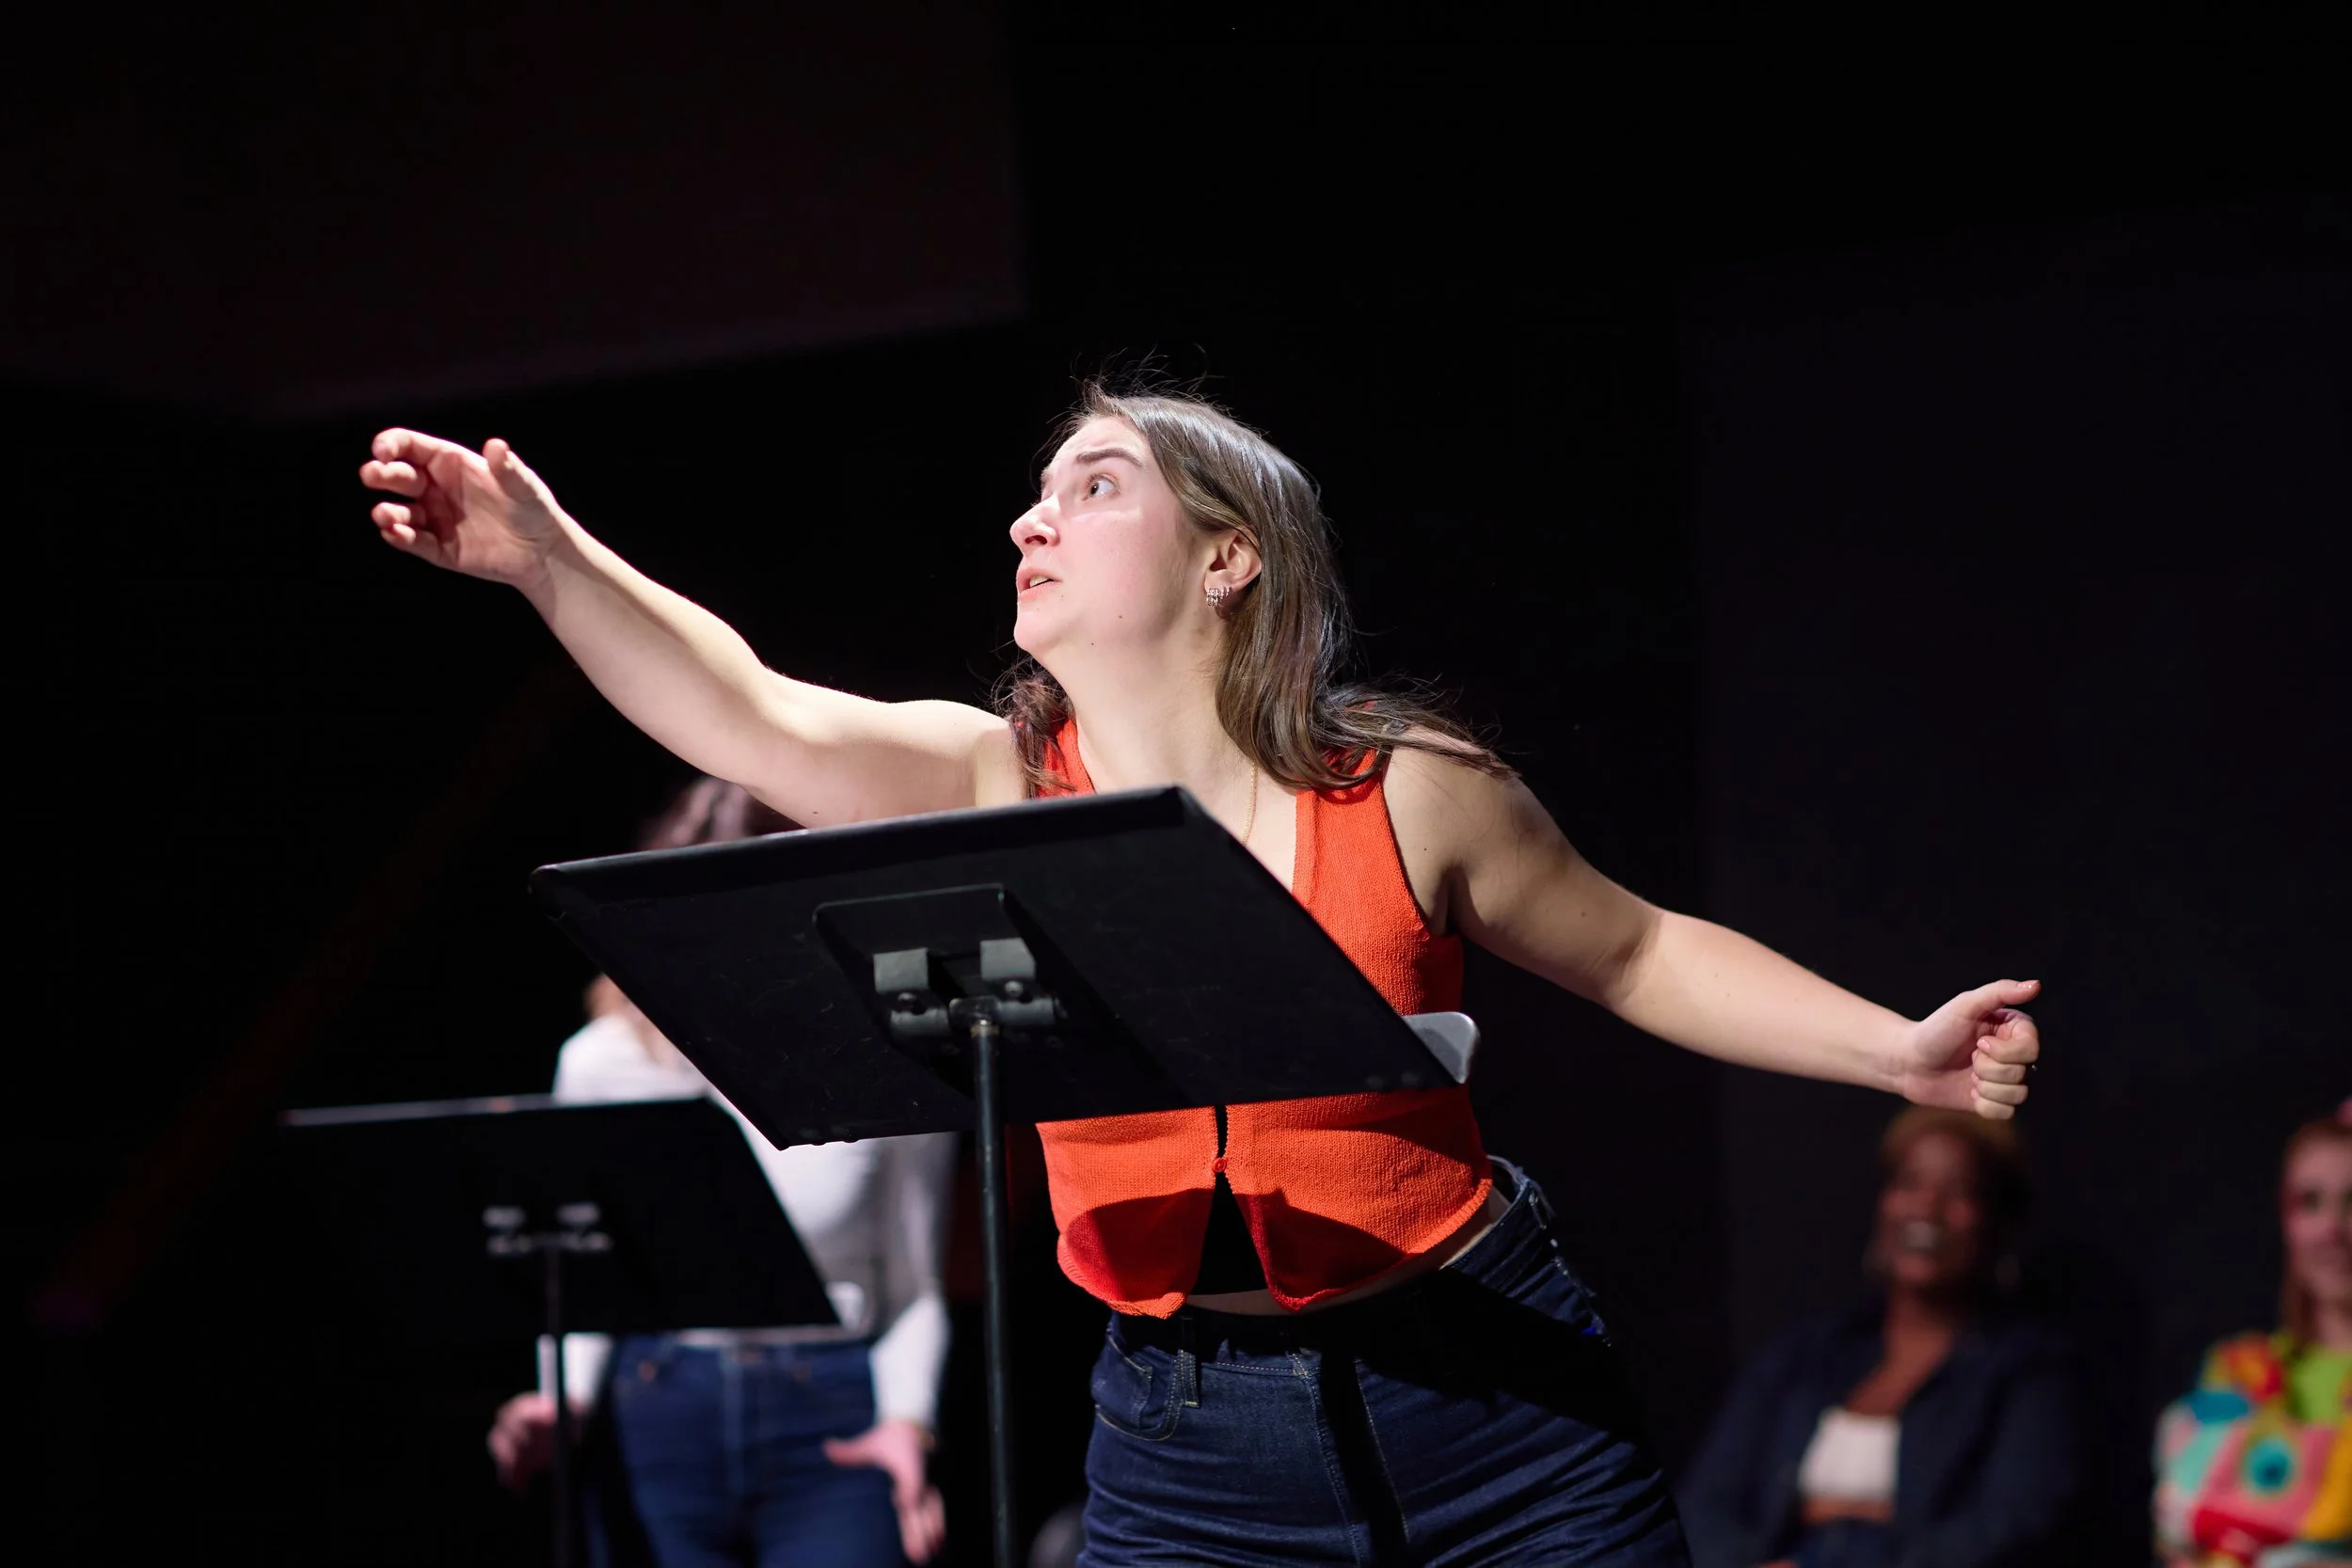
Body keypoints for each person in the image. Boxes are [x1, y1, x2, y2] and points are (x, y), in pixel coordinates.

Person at [361, 382, 2042, 1566]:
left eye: (1096, 484)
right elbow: (751, 711)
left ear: (1230, 555)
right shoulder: (997, 784)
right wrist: (546, 562)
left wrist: (1896, 1053)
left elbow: (1638, 947)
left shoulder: (1406, 784)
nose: (1034, 513)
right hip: (1182, 1435)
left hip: (1483, 1387)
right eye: (1039, 488)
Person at [485, 777, 956, 1567]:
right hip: (659, 1404)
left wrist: (908, 1422)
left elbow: (916, 1282)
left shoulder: (895, 1055)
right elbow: (588, 1277)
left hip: (832, 1409)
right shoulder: (604, 1062)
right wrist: (560, 1395)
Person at [1677, 1106, 2082, 1568]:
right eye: (1910, 1183)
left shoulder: (2025, 1372)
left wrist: (1836, 1557)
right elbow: (1706, 1504)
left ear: (1996, 1220)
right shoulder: (1806, 1357)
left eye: (1959, 1190)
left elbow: (2012, 1526)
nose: (1927, 1208)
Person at [2153, 1103, 2352, 1565]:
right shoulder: (2239, 1372)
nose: (2331, 1229)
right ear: (2286, 1221)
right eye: (2310, 1202)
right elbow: (2181, 1532)